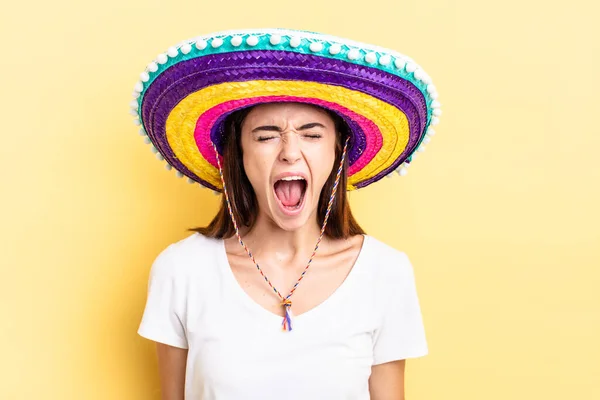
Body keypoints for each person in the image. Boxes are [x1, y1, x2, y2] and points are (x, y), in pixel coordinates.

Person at [131, 28, 440, 400]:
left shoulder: (386, 272)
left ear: (337, 153)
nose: (290, 152)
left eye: (311, 135)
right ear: (237, 155)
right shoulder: (181, 270)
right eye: (265, 136)